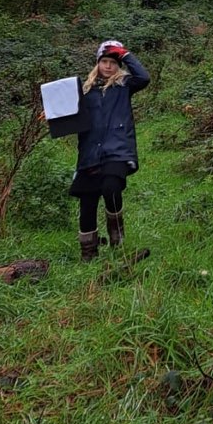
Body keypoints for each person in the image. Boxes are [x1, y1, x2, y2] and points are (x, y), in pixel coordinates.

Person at [71, 39, 150, 260]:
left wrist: (125, 55)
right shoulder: (85, 90)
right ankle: (89, 253)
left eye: (113, 62)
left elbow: (144, 78)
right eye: (104, 61)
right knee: (87, 202)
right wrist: (51, 116)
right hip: (89, 154)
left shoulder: (124, 85)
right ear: (97, 63)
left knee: (111, 187)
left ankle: (117, 237)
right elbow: (66, 113)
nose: (108, 66)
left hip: (117, 150)